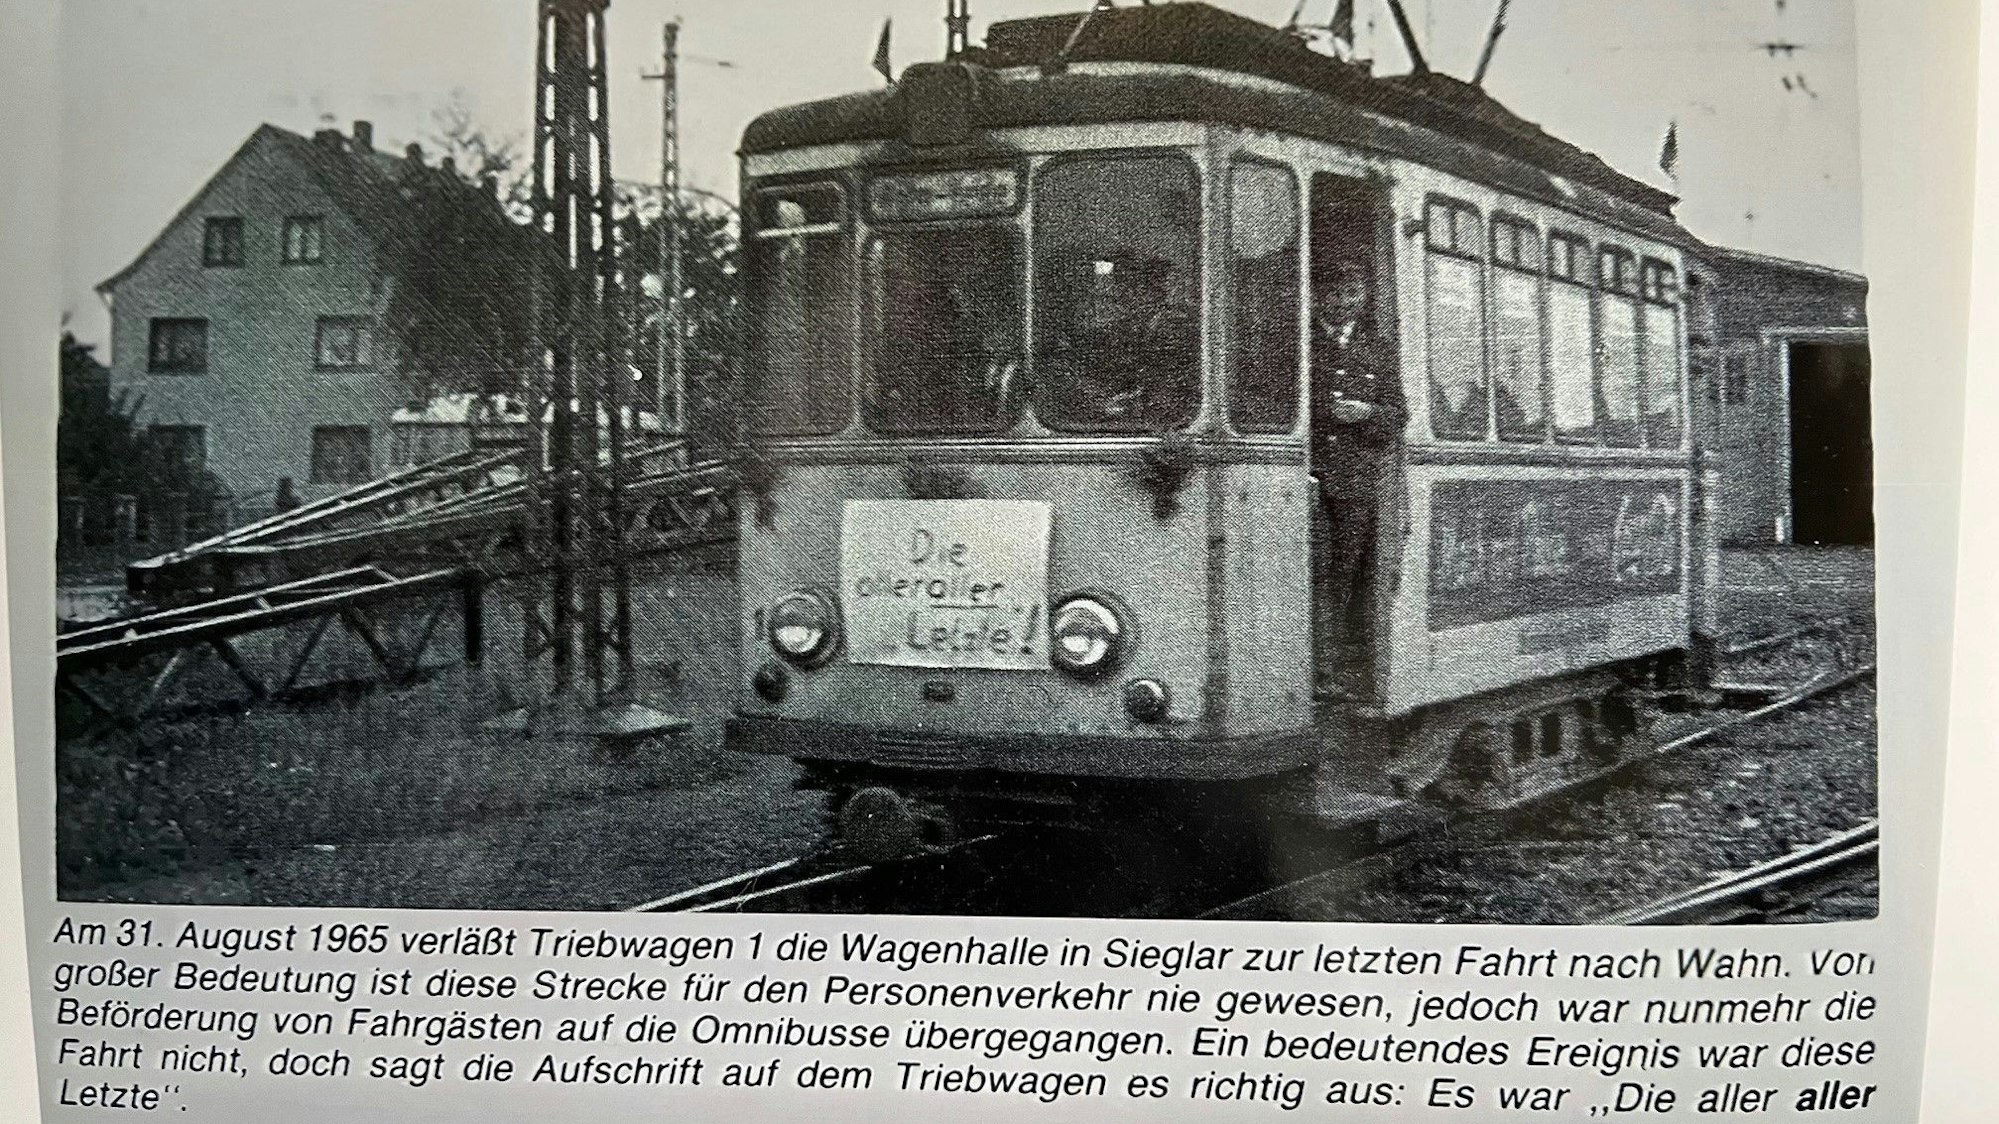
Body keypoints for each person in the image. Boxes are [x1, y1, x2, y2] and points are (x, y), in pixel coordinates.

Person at [1312, 259, 1405, 695]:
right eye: (1337, 294)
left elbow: (1398, 415)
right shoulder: (1300, 341)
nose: (1346, 303)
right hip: (1306, 475)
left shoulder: (1378, 349)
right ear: (1319, 296)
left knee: (1341, 575)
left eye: (1354, 295)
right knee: (1307, 572)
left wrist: (1367, 413)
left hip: (1354, 480)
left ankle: (1327, 671)